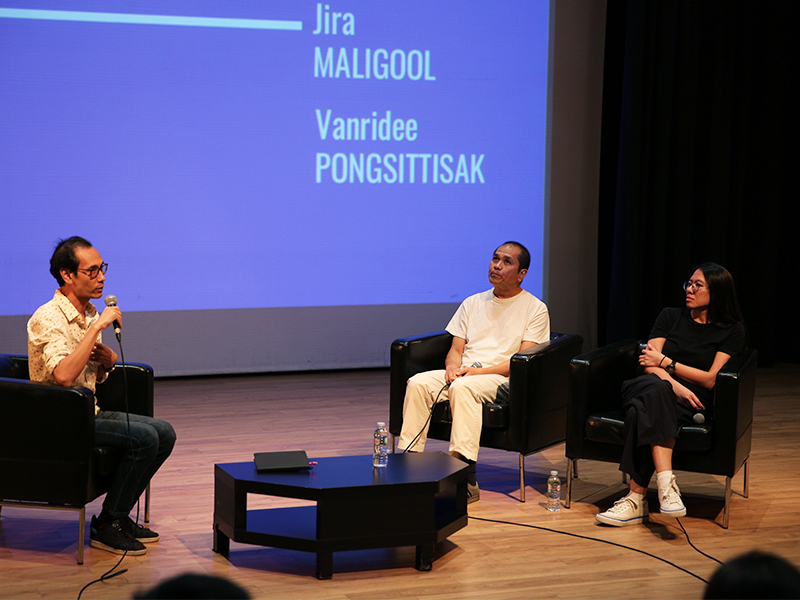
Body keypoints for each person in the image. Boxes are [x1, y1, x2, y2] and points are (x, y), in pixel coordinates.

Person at [27, 236, 176, 555]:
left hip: (87, 412)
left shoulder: (91, 313)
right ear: (68, 275)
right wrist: (95, 331)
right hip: (57, 419)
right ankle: (108, 523)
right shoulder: (46, 318)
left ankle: (117, 516)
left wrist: (106, 363)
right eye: (92, 271)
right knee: (145, 438)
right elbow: (64, 376)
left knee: (164, 432)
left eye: (102, 269)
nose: (102, 277)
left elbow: (87, 372)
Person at [397, 242, 550, 503]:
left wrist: (475, 374)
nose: (497, 266)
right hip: (466, 373)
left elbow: (520, 361)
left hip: (500, 378)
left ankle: (463, 477)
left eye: (506, 262)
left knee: (462, 388)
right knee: (418, 382)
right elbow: (456, 349)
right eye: (494, 259)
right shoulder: (472, 302)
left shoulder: (535, 309)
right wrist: (451, 368)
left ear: (522, 273)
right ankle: (411, 467)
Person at [596, 262, 745, 526]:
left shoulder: (731, 330)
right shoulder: (669, 316)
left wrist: (668, 363)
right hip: (652, 386)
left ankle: (635, 499)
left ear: (718, 291)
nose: (689, 289)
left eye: (697, 285)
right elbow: (647, 363)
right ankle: (666, 485)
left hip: (689, 402)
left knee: (639, 412)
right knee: (656, 390)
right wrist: (675, 384)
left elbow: (710, 379)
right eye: (688, 283)